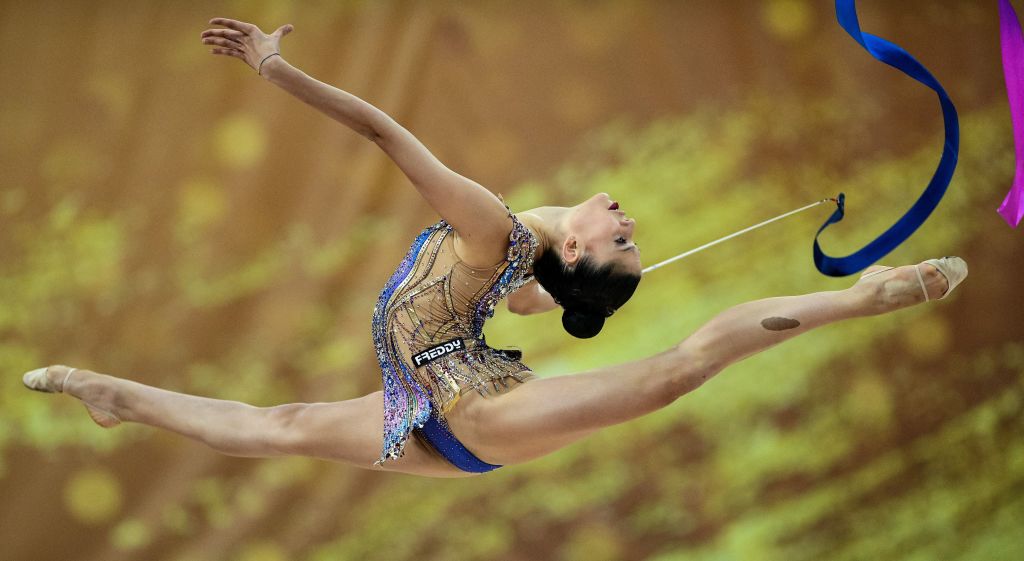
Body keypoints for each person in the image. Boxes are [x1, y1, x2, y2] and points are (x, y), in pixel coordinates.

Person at [21, 18, 968, 479]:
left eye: (624, 239)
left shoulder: (493, 228)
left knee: (679, 371)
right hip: (416, 403)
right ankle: (114, 396)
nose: (628, 217)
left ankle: (873, 295)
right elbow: (519, 299)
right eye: (632, 234)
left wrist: (278, 69)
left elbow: (386, 135)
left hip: (471, 407)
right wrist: (552, 297)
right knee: (277, 425)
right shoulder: (518, 263)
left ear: (579, 247)